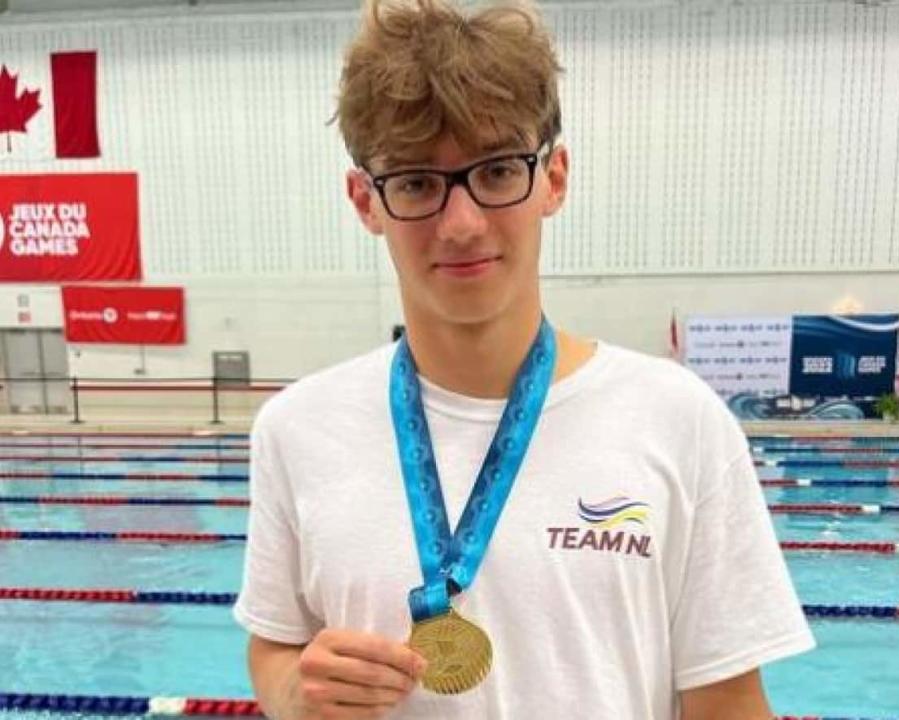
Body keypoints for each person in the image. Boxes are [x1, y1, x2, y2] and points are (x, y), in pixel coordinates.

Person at [233, 1, 815, 718]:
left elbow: (726, 702)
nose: (463, 223)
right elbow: (274, 643)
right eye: (416, 182)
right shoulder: (295, 429)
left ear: (554, 177)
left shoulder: (679, 420)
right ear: (365, 200)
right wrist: (292, 691)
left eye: (499, 170)